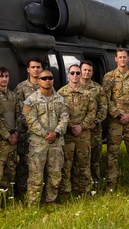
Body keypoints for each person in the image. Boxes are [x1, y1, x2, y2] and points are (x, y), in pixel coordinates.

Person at [22, 70, 69, 205]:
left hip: (56, 142)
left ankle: (51, 201)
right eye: (44, 78)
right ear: (38, 81)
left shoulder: (60, 100)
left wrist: (56, 133)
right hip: (38, 144)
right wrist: (45, 134)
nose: (47, 80)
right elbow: (30, 120)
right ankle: (33, 203)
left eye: (50, 78)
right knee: (35, 175)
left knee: (55, 174)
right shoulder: (30, 100)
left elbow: (65, 118)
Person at [102, 49, 129, 189]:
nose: (122, 59)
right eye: (119, 57)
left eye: (124, 57)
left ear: (128, 59)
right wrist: (119, 115)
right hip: (115, 121)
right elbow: (105, 99)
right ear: (115, 59)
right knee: (112, 153)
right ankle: (111, 184)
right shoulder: (109, 77)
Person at [58, 65, 97, 198]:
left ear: (81, 75)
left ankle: (84, 191)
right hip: (67, 135)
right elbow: (58, 113)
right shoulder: (61, 93)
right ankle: (65, 193)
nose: (75, 75)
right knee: (66, 166)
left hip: (83, 135)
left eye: (77, 73)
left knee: (84, 164)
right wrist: (70, 126)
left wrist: (82, 126)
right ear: (68, 74)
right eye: (72, 73)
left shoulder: (88, 94)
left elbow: (92, 113)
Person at [14, 58, 45, 199]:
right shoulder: (21, 88)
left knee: (40, 164)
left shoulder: (46, 85)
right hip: (26, 133)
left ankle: (38, 194)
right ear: (28, 69)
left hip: (43, 135)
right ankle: (22, 193)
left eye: (38, 67)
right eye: (33, 67)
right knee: (25, 165)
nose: (36, 69)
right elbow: (20, 112)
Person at [0, 66, 19, 205]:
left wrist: (16, 133)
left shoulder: (13, 96)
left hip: (13, 141)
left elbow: (19, 116)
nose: (4, 79)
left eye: (6, 76)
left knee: (10, 173)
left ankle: (7, 202)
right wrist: (7, 135)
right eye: (1, 76)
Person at [80, 61, 108, 189]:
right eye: (84, 70)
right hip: (79, 131)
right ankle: (81, 186)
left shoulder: (98, 88)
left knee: (95, 160)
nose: (86, 72)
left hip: (94, 130)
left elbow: (103, 107)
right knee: (80, 160)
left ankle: (96, 185)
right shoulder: (73, 87)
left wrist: (96, 121)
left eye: (89, 70)